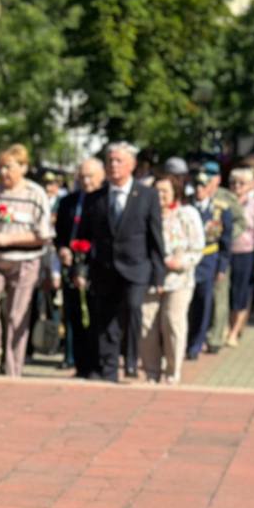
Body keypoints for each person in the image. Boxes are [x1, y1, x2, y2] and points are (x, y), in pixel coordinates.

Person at [80, 141, 165, 382]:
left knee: (133, 307)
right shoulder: (95, 198)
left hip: (137, 266)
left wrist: (159, 274)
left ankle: (131, 359)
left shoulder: (147, 195)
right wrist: (80, 266)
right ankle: (108, 368)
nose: (114, 166)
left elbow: (155, 236)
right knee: (106, 318)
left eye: (119, 161)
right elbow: (84, 238)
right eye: (110, 161)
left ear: (132, 165)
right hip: (105, 268)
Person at [0, 144, 53, 377]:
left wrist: (9, 238)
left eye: (9, 167)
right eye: (1, 167)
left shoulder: (35, 194)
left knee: (17, 315)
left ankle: (13, 368)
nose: (4, 172)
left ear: (23, 167)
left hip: (25, 260)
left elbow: (43, 235)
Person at [140, 173, 204, 383]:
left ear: (175, 192)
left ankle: (172, 371)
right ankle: (151, 371)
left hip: (179, 279)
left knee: (172, 322)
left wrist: (181, 261)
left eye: (164, 191)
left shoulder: (187, 214)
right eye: (156, 192)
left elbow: (197, 247)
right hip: (150, 278)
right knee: (147, 324)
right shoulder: (146, 213)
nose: (160, 196)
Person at [54, 157, 105, 377]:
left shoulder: (104, 200)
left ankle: (96, 364)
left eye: (90, 176)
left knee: (94, 316)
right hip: (71, 265)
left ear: (101, 177)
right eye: (82, 176)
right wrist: (62, 249)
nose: (86, 180)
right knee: (74, 315)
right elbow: (59, 234)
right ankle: (79, 363)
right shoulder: (68, 202)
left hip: (96, 266)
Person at [186, 164, 235, 361]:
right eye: (196, 185)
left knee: (204, 303)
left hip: (208, 260)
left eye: (203, 186)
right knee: (186, 305)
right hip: (188, 260)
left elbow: (226, 241)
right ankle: (187, 341)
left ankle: (196, 344)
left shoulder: (220, 210)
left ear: (210, 188)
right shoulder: (186, 207)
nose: (199, 190)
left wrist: (222, 266)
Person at [224, 166, 254, 348]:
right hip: (225, 252)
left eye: (241, 183)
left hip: (245, 253)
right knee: (224, 293)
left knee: (240, 293)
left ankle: (235, 331)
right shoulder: (225, 202)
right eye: (233, 183)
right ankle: (226, 326)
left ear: (250, 185)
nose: (236, 186)